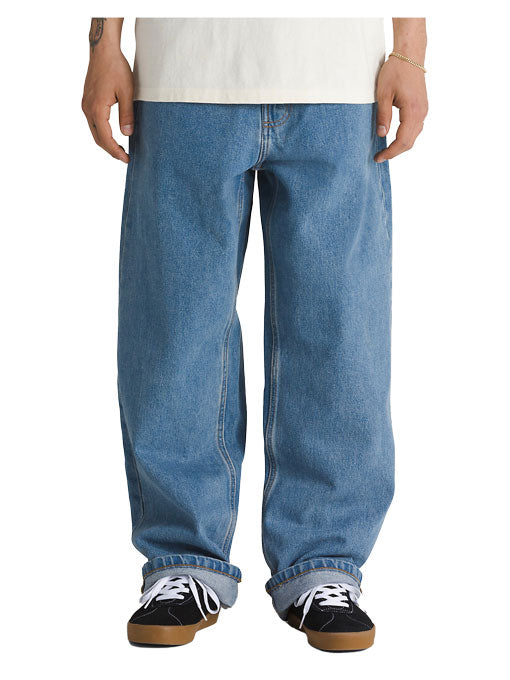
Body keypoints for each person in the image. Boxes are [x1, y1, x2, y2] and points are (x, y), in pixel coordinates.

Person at [82, 17, 427, 652]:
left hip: (340, 75)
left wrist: (411, 49)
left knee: (338, 332)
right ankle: (182, 561)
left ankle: (324, 562)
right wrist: (105, 43)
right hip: (181, 70)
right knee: (177, 331)